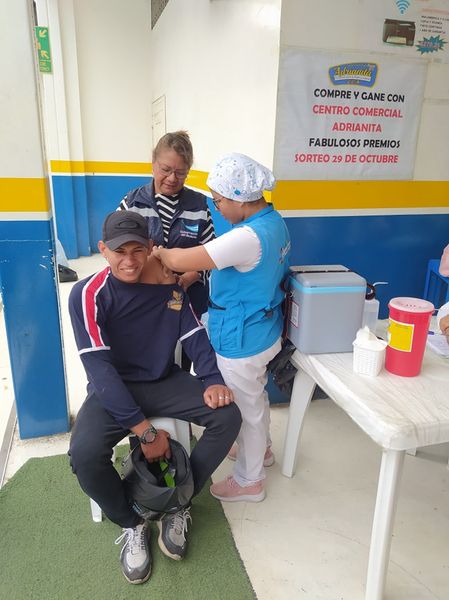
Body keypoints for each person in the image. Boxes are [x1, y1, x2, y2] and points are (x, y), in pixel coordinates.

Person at [68, 211, 241, 585]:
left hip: (162, 381)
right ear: (103, 249)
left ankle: (178, 502)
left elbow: (193, 335)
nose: (129, 261)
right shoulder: (87, 294)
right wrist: (145, 433)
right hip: (113, 388)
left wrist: (212, 379)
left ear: (150, 248)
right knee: (83, 455)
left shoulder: (170, 289)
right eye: (119, 252)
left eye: (137, 250)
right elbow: (100, 371)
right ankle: (132, 522)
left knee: (228, 417)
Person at [153, 153, 291, 503]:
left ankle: (249, 481)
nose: (217, 208)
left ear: (238, 198)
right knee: (255, 398)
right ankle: (261, 450)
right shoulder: (274, 221)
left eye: (218, 201)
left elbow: (183, 259)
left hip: (242, 336)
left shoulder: (248, 237)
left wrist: (160, 253)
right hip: (263, 326)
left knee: (245, 409)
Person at [117, 130, 214, 321]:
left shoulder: (199, 206)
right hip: (142, 298)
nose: (172, 178)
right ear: (153, 164)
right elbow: (116, 250)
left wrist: (187, 278)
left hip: (188, 299)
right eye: (165, 169)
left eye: (180, 173)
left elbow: (211, 255)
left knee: (187, 338)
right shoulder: (132, 203)